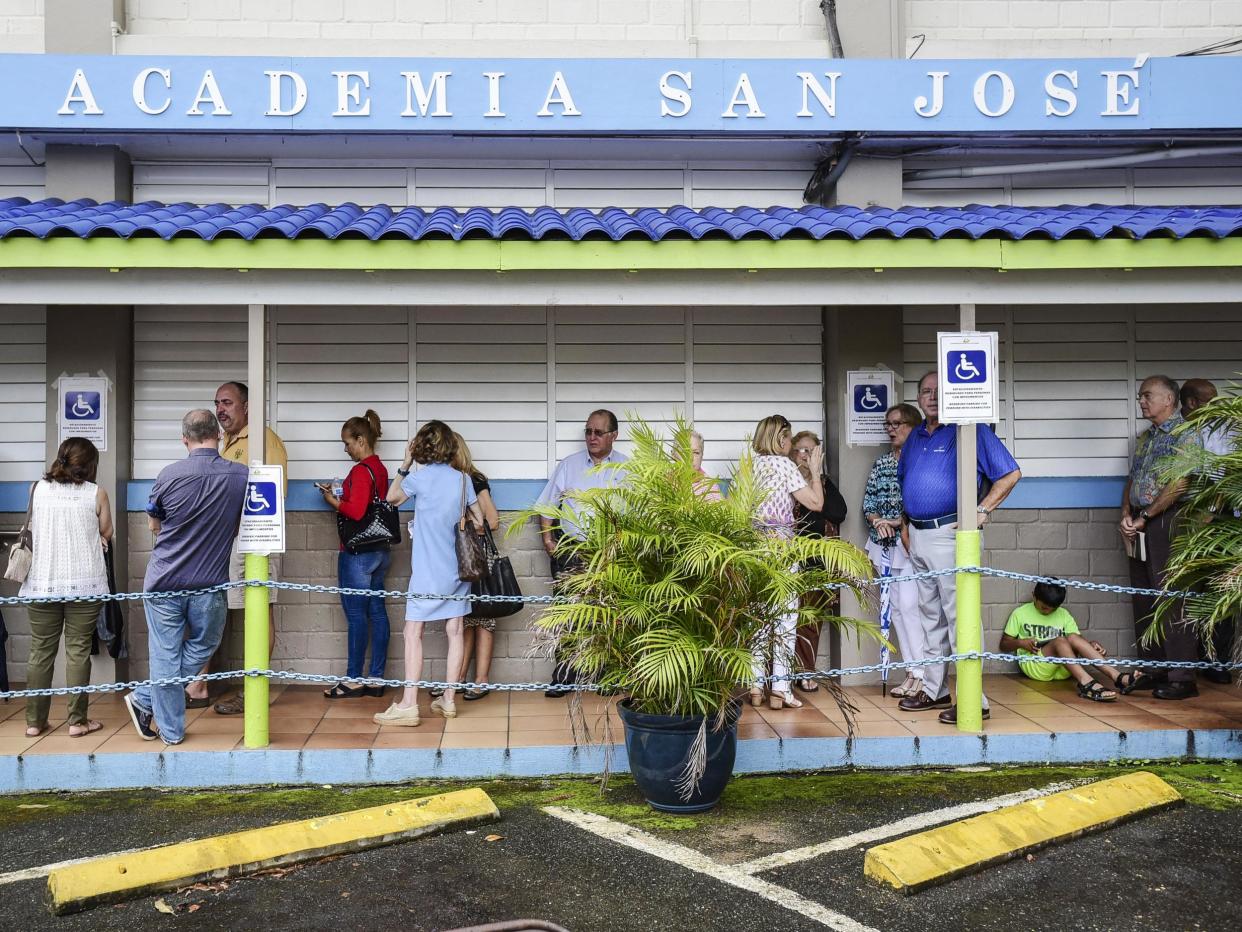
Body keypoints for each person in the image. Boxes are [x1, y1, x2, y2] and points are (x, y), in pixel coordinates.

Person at [897, 371, 1021, 725]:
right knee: (930, 617)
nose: (932, 397)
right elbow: (905, 481)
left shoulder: (970, 429)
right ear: (918, 398)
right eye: (925, 391)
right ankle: (934, 689)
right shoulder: (916, 436)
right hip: (918, 536)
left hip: (950, 534)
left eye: (939, 391)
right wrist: (906, 525)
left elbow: (1009, 474)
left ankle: (973, 699)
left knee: (960, 617)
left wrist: (982, 511)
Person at [124, 410, 248, 745]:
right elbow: (238, 525)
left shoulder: (168, 474)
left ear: (184, 439)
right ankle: (163, 719)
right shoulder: (240, 476)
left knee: (165, 655)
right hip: (209, 583)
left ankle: (152, 706)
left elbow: (154, 524)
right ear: (218, 435)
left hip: (163, 579)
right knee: (205, 644)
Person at [187, 380, 289, 715]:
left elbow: (271, 495)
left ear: (247, 406)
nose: (220, 410)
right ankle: (201, 684)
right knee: (225, 611)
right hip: (224, 541)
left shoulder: (262, 440)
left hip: (255, 540)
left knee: (259, 611)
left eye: (228, 403)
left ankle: (252, 692)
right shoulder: (225, 442)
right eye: (217, 403)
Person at [374, 420, 485, 726]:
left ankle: (409, 703)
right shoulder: (462, 479)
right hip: (457, 571)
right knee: (455, 630)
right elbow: (478, 521)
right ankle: (448, 700)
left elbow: (391, 498)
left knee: (413, 632)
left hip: (426, 571)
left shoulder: (419, 480)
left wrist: (405, 464)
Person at [20, 438, 113, 739]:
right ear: (90, 465)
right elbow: (107, 532)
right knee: (78, 651)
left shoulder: (36, 489)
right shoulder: (96, 493)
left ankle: (34, 722)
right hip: (84, 584)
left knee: (40, 652)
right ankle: (77, 721)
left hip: (41, 583)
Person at [1117, 375, 1202, 700]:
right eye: (1140, 396)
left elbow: (1180, 484)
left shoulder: (1186, 434)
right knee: (1144, 596)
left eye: (1147, 395)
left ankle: (1182, 677)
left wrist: (1146, 517)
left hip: (1168, 520)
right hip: (1138, 522)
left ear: (1169, 399)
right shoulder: (1146, 438)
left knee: (1172, 597)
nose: (1141, 401)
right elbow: (1133, 477)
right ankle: (1152, 668)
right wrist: (1126, 513)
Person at [535, 409, 629, 698]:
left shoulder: (627, 468)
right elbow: (547, 505)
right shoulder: (570, 465)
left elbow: (636, 515)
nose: (591, 437)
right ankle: (564, 675)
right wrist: (550, 541)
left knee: (606, 615)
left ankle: (606, 676)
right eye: (588, 432)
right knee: (566, 616)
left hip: (609, 554)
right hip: (571, 552)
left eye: (598, 432)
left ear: (613, 435)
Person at [748, 414, 826, 710]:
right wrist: (815, 472)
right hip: (781, 550)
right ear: (780, 439)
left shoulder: (751, 467)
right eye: (789, 438)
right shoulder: (785, 466)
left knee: (757, 619)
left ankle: (756, 687)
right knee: (785, 617)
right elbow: (816, 504)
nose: (792, 444)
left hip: (755, 549)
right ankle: (780, 689)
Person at [317, 410, 392, 699]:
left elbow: (357, 511)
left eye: (347, 443)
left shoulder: (361, 471)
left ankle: (353, 679)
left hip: (357, 552)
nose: (345, 449)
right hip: (380, 550)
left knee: (357, 616)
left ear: (361, 440)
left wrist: (333, 501)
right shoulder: (380, 469)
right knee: (377, 613)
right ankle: (376, 677)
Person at [861, 403, 926, 700]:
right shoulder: (883, 463)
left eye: (897, 423)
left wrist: (899, 522)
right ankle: (911, 672)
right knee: (896, 610)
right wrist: (878, 521)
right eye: (888, 424)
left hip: (911, 543)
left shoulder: (921, 461)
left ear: (913, 426)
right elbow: (869, 503)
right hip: (884, 545)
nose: (891, 429)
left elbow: (922, 503)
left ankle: (922, 674)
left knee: (911, 607)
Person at [1180, 377, 1236, 685]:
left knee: (1218, 592)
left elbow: (1226, 476)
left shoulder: (1225, 430)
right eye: (1210, 399)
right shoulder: (1182, 432)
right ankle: (1187, 659)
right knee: (1187, 592)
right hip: (1187, 515)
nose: (1217, 404)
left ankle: (1216, 660)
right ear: (1192, 403)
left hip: (1220, 517)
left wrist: (1212, 512)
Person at [788, 429, 848, 692]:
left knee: (810, 623)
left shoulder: (824, 483)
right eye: (801, 449)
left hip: (817, 563)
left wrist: (814, 480)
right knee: (783, 621)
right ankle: (776, 676)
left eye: (811, 450)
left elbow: (838, 512)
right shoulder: (785, 478)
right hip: (788, 559)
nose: (805, 455)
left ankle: (805, 672)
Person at [447, 432, 501, 702]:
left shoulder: (475, 480)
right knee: (464, 618)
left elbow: (492, 520)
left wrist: (464, 523)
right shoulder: (451, 481)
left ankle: (481, 679)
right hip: (462, 558)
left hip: (478, 557)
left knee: (484, 618)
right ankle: (456, 679)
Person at [999, 583, 1121, 701]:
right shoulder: (1020, 613)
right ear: (1034, 596)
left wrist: (1091, 645)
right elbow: (1004, 645)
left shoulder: (1063, 614)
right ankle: (1086, 683)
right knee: (1060, 641)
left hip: (1065, 669)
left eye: (1053, 609)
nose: (1048, 612)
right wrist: (1021, 643)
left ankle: (1118, 677)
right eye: (1044, 608)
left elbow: (1077, 640)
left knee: (1072, 637)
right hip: (1036, 666)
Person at [690, 430, 723, 502]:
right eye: (684, 452)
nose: (691, 458)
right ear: (673, 454)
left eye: (696, 453)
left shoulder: (710, 488)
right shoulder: (665, 482)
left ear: (702, 456)